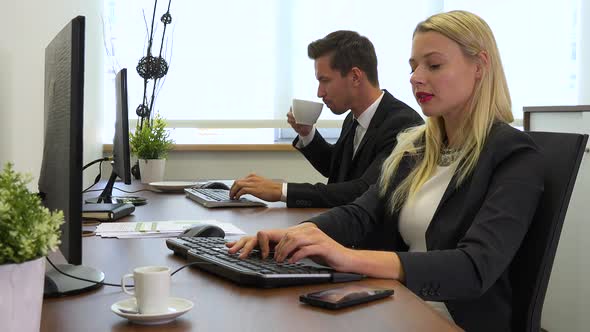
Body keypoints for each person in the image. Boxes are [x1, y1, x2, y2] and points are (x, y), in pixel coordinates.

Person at [226, 10, 545, 332]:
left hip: (451, 318)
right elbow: (362, 213)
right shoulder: (418, 146)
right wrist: (302, 233)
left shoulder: (514, 155)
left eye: (433, 65)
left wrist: (348, 257)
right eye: (413, 67)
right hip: (400, 301)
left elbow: (473, 267)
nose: (416, 77)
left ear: (480, 67)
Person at [230, 30, 422, 208]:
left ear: (355, 77)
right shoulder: (353, 118)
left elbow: (364, 190)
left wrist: (280, 191)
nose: (320, 92)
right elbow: (336, 169)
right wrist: (307, 133)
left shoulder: (403, 124)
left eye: (325, 80)